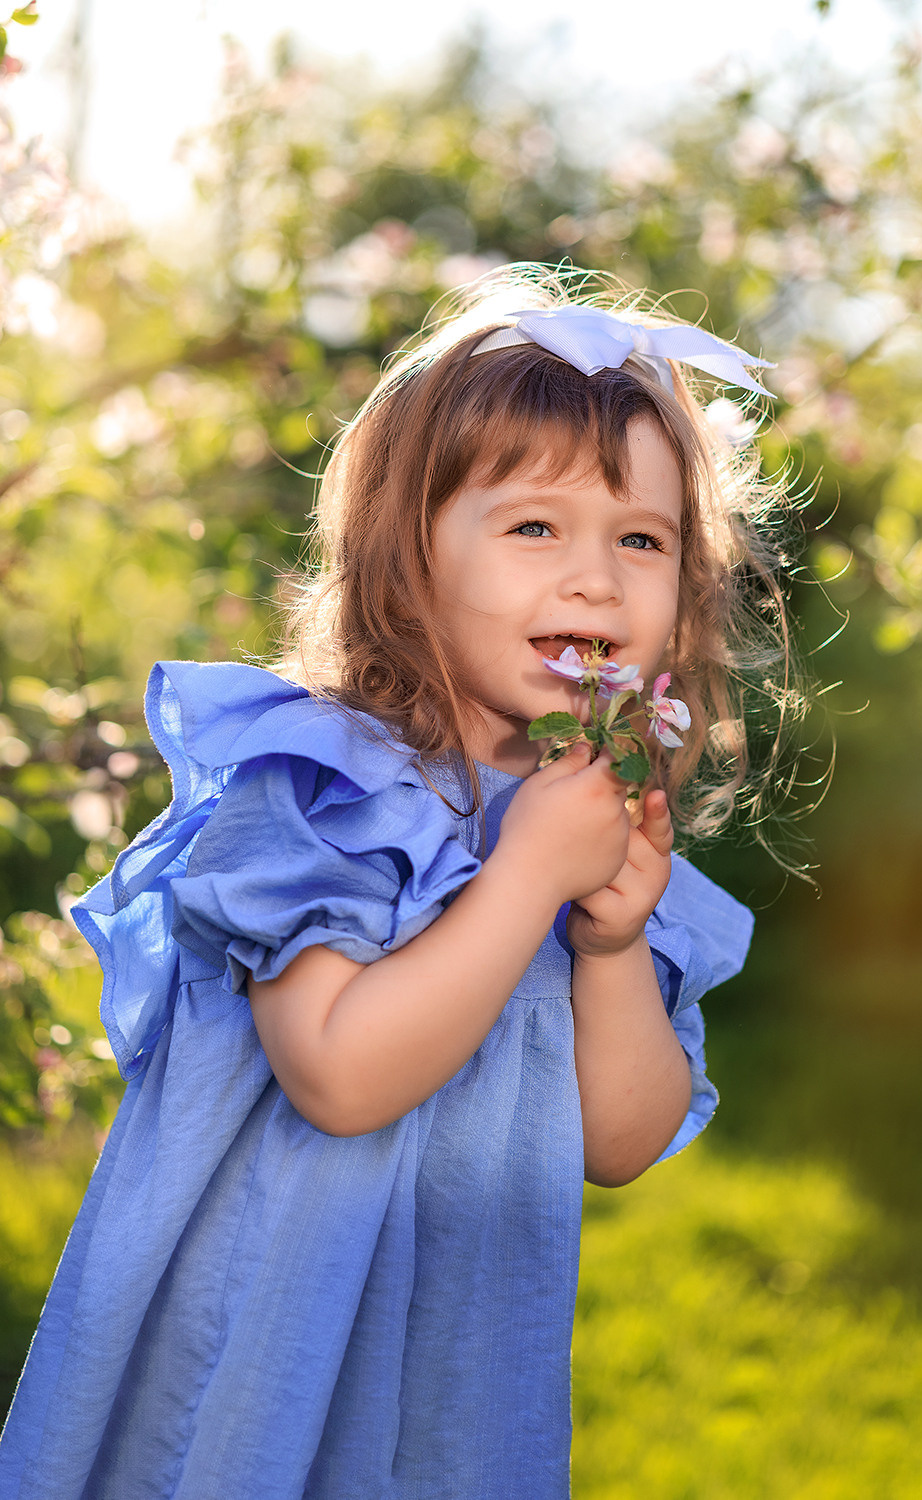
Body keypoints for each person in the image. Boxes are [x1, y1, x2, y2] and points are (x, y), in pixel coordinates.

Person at [0, 265, 797, 1499]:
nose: (595, 577)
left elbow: (623, 1140)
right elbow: (338, 1073)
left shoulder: (585, 826)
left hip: (455, 1381)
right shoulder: (320, 788)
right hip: (259, 1352)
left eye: (640, 539)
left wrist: (611, 942)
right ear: (408, 558)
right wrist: (526, 879)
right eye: (534, 525)